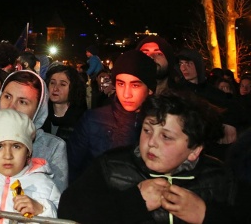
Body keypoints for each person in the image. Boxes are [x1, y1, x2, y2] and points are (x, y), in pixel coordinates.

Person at [58, 93, 237, 224]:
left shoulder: (219, 177)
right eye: (147, 130)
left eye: (166, 137)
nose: (151, 142)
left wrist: (205, 214)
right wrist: (134, 202)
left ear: (194, 150)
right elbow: (68, 211)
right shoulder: (111, 166)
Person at [0, 70, 69, 193]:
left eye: (22, 102)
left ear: (38, 110)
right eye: (7, 97)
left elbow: (57, 201)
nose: (11, 107)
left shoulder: (53, 148)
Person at [67, 49, 157, 182]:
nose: (126, 94)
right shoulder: (92, 121)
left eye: (135, 85)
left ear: (149, 89)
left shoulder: (162, 125)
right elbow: (71, 169)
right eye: (121, 84)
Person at [41, 64, 87, 143]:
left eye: (62, 84)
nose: (55, 88)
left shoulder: (83, 122)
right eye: (52, 83)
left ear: (73, 88)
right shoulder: (40, 117)